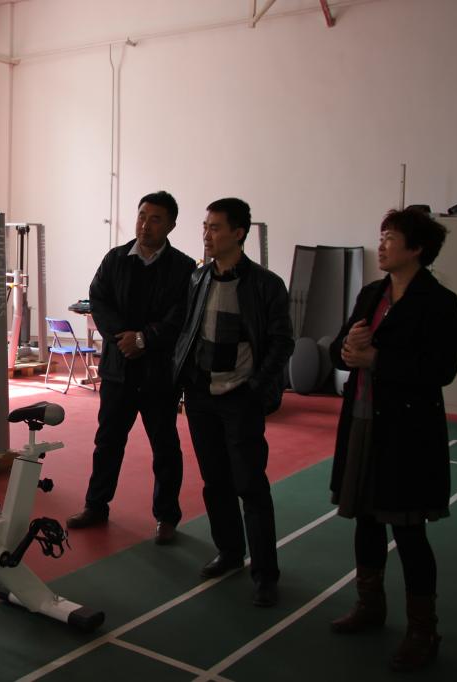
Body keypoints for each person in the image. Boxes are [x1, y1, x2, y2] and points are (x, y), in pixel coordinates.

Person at [328, 209, 457, 672]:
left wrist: (377, 359)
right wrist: (347, 350)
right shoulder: (372, 293)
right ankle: (370, 606)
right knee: (365, 519)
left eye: (390, 238)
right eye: (380, 236)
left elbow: (441, 369)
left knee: (407, 530)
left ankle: (423, 630)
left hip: (407, 432)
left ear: (417, 248)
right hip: (362, 420)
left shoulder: (438, 302)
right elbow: (341, 350)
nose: (381, 245)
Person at [172, 197, 293, 607]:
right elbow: (189, 332)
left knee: (251, 486)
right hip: (201, 396)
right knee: (215, 482)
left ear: (239, 233)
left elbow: (282, 342)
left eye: (216, 227)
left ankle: (265, 574)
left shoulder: (266, 285)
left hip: (241, 397)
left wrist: (255, 388)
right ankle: (229, 551)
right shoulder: (198, 278)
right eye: (205, 226)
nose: (206, 235)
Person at [66, 191, 196, 545]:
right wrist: (123, 338)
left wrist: (144, 339)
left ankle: (167, 517)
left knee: (164, 447)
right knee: (107, 442)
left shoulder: (184, 268)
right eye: (142, 216)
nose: (145, 225)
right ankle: (96, 506)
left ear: (171, 225)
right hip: (118, 371)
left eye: (155, 219)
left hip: (159, 375)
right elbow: (99, 300)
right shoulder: (115, 259)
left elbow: (181, 316)